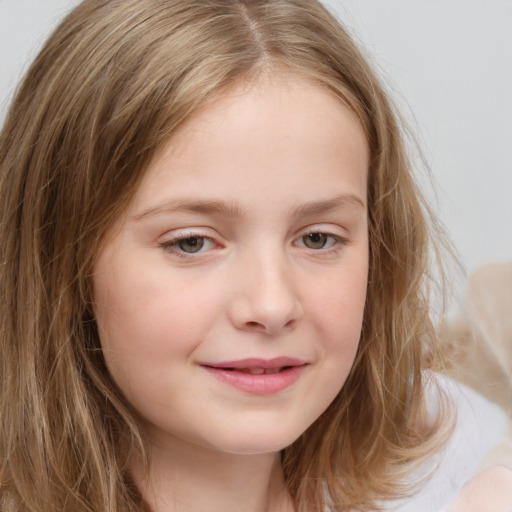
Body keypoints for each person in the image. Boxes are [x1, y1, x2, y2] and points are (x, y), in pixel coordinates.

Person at [0, 1, 510, 511]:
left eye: (317, 239)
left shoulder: (465, 462)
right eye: (192, 242)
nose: (271, 306)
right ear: (60, 260)